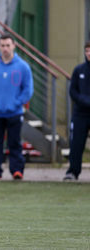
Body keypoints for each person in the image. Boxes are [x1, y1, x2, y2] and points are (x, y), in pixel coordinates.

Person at [0, 33, 33, 180]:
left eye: (8, 45)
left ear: (14, 46)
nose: (5, 48)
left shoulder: (23, 67)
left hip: (14, 113)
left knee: (14, 143)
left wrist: (17, 103)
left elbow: (28, 89)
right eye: (2, 45)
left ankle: (17, 170)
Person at [63, 41, 90, 181]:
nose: (89, 53)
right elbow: (73, 91)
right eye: (87, 50)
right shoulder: (79, 70)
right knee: (76, 144)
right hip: (80, 114)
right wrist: (84, 101)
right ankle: (73, 172)